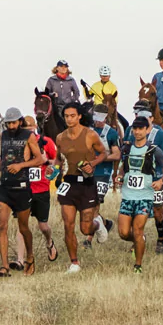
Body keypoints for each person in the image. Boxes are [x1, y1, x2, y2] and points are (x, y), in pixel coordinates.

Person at [0, 108, 44, 277]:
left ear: (20, 121)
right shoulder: (4, 136)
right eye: (8, 123)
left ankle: (30, 257)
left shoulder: (28, 136)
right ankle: (4, 267)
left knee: (23, 227)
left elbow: (39, 159)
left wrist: (20, 165)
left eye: (13, 122)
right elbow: (3, 159)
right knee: (2, 225)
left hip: (22, 187)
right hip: (4, 187)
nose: (11, 126)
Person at [55, 101, 110, 273]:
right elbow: (58, 159)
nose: (69, 119)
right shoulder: (60, 137)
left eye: (72, 116)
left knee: (85, 228)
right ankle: (74, 263)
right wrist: (53, 168)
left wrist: (92, 164)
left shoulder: (90, 135)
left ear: (79, 116)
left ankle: (98, 224)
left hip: (86, 185)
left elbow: (103, 153)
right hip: (69, 184)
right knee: (68, 224)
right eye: (66, 116)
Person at [117, 114, 163, 273]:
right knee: (124, 233)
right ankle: (140, 240)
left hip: (145, 197)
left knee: (138, 229)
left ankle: (138, 265)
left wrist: (161, 181)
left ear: (147, 130)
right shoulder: (126, 148)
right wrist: (120, 176)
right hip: (127, 196)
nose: (138, 132)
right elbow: (122, 166)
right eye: (135, 128)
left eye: (141, 128)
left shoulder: (154, 150)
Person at [14, 115, 59, 268]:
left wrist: (47, 162)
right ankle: (20, 260)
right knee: (22, 225)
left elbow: (57, 161)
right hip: (23, 189)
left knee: (43, 226)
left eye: (30, 129)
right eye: (25, 130)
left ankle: (49, 242)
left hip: (41, 189)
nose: (28, 133)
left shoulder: (46, 142)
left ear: (35, 128)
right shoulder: (18, 143)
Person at [126, 105, 163, 252]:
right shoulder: (130, 130)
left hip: (156, 177)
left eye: (146, 118)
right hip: (137, 180)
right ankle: (138, 238)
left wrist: (152, 162)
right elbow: (126, 150)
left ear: (151, 119)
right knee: (135, 210)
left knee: (158, 211)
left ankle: (160, 239)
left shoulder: (159, 133)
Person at [44, 61, 82, 131]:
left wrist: (72, 100)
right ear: (57, 68)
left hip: (67, 106)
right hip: (55, 106)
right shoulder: (51, 80)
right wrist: (52, 94)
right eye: (61, 67)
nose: (64, 68)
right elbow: (46, 93)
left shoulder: (71, 80)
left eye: (65, 67)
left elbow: (76, 92)